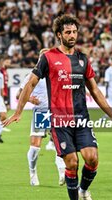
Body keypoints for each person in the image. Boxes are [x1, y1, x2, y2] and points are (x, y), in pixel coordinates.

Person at [3, 15, 112, 200]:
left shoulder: (83, 59)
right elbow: (30, 85)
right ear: (59, 35)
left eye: (75, 32)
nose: (72, 35)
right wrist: (18, 112)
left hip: (81, 118)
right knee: (71, 163)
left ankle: (83, 191)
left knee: (92, 158)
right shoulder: (48, 58)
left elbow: (95, 90)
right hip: (60, 121)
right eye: (68, 32)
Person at [16, 48, 66, 186]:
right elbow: (18, 95)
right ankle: (33, 173)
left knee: (61, 143)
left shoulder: (57, 74)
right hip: (41, 113)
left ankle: (62, 173)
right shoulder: (32, 75)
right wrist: (31, 100)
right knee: (36, 145)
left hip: (57, 112)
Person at [0, 58, 11, 132]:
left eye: (9, 62)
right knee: (5, 108)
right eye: (7, 62)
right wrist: (0, 92)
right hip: (2, 92)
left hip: (5, 92)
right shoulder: (0, 71)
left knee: (7, 108)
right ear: (3, 62)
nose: (9, 63)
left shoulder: (5, 71)